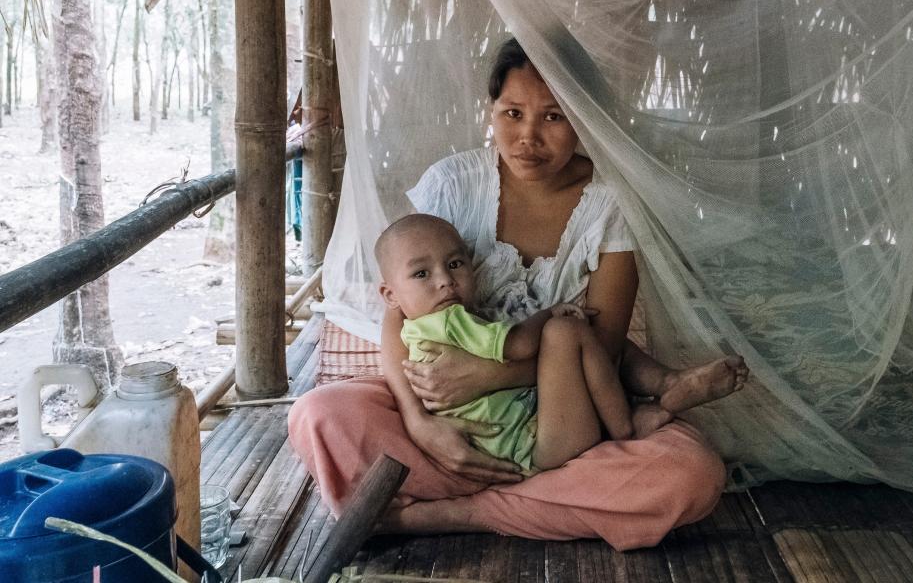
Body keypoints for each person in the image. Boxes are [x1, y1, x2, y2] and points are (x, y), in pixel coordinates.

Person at [289, 38, 740, 550]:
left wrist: (486, 374)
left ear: (583, 119)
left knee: (692, 474)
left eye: (553, 117)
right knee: (317, 414)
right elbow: (401, 309)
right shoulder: (453, 182)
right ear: (492, 110)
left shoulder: (610, 205)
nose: (528, 137)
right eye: (513, 113)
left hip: (559, 419)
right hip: (443, 422)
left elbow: (605, 348)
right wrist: (418, 424)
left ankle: (445, 513)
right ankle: (544, 501)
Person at [376, 214, 741, 482]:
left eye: (455, 264)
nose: (445, 281)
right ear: (389, 294)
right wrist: (550, 314)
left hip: (525, 434)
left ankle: (659, 386)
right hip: (535, 446)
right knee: (568, 329)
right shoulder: (449, 320)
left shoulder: (422, 327)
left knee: (579, 333)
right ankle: (625, 426)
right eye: (421, 274)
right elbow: (519, 344)